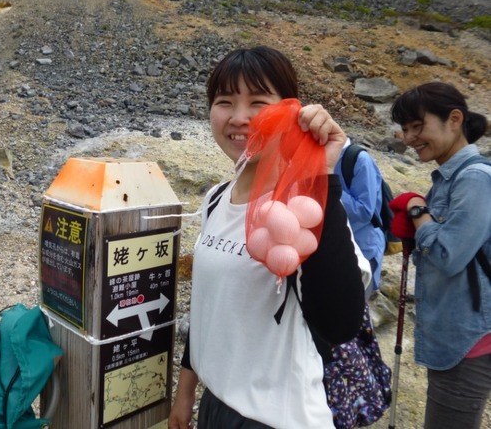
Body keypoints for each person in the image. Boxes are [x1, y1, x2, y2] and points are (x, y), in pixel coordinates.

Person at [168, 47, 366, 429]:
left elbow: (341, 323)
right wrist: (187, 390)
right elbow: (210, 305)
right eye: (224, 101)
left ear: (291, 111)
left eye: (258, 102)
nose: (240, 118)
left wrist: (322, 176)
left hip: (277, 417)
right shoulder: (215, 199)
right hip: (218, 405)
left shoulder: (301, 207)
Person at [389, 82, 491, 429]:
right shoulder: (449, 178)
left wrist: (418, 211)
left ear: (455, 119)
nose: (409, 138)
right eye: (405, 129)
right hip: (453, 331)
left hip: (467, 338)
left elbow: (448, 256)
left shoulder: (475, 179)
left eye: (418, 126)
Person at [334, 139, 387, 292]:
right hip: (339, 247)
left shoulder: (359, 159)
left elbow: (364, 211)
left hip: (364, 249)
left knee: (355, 307)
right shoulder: (318, 159)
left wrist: (328, 184)